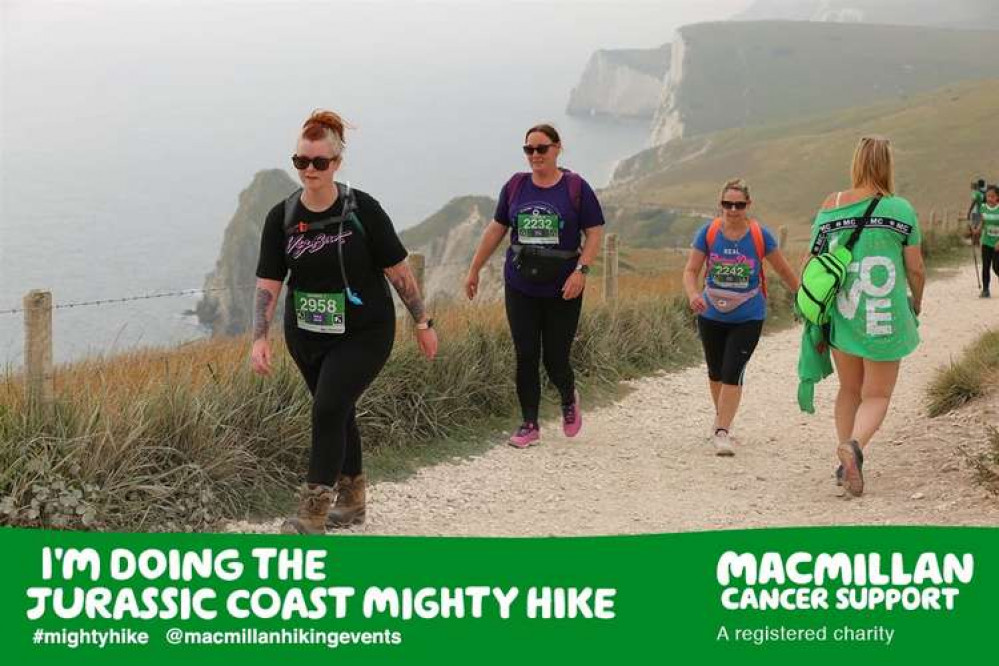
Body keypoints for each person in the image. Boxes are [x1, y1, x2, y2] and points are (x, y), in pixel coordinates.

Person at [251, 109, 438, 534]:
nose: (309, 170)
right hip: (306, 334)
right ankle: (352, 504)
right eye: (301, 161)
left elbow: (398, 271)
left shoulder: (362, 210)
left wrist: (422, 322)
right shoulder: (280, 217)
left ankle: (313, 512)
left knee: (329, 406)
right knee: (338, 410)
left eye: (319, 162)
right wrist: (260, 339)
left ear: (336, 164)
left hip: (365, 331)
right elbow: (269, 282)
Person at [464, 124, 604, 448]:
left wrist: (581, 271)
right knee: (526, 354)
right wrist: (474, 269)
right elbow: (496, 229)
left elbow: (595, 231)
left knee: (556, 358)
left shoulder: (575, 187)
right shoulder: (515, 186)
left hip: (563, 288)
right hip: (520, 285)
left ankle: (568, 397)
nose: (535, 155)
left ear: (557, 149)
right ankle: (530, 424)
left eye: (542, 148)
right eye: (529, 150)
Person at [808, 135, 925, 497]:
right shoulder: (901, 210)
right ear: (888, 165)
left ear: (856, 162)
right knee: (877, 395)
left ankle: (846, 458)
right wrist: (916, 303)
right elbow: (916, 269)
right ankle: (854, 447)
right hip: (885, 317)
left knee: (849, 388)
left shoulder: (831, 206)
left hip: (844, 314)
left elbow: (813, 262)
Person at [682, 179, 799, 456]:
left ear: (748, 205)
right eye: (727, 204)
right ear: (720, 204)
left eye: (738, 205)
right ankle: (722, 420)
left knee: (733, 371)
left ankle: (722, 431)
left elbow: (784, 271)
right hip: (710, 313)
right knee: (715, 372)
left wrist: (804, 297)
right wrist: (692, 294)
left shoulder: (760, 236)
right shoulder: (708, 233)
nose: (732, 210)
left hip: (748, 315)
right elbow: (691, 271)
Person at [973, 185, 999, 297]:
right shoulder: (982, 208)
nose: (990, 198)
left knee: (997, 267)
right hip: (986, 242)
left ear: (997, 197)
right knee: (986, 266)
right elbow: (981, 223)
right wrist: (976, 231)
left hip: (997, 243)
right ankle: (985, 290)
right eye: (988, 196)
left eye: (992, 196)